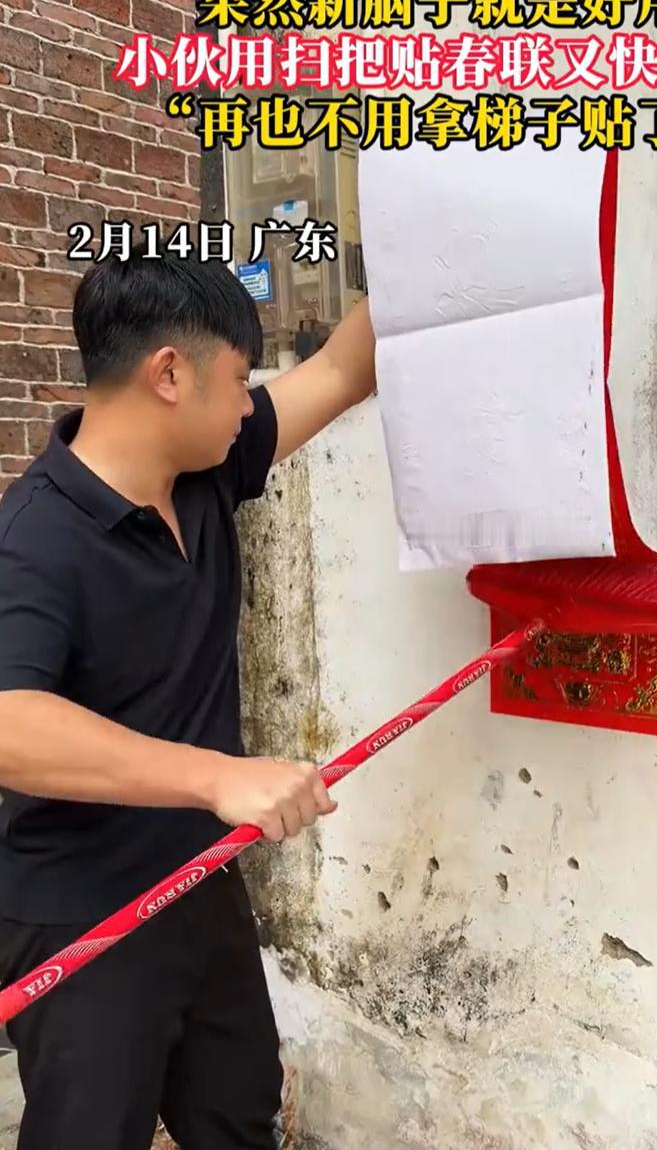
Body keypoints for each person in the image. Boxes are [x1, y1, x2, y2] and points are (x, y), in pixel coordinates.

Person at [0, 246, 376, 1150]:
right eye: (242, 379)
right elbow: (10, 723)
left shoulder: (206, 466)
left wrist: (435, 222)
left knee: (237, 1116)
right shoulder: (36, 538)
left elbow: (342, 368)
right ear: (169, 375)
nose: (252, 404)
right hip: (82, 907)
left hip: (201, 882)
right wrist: (216, 776)